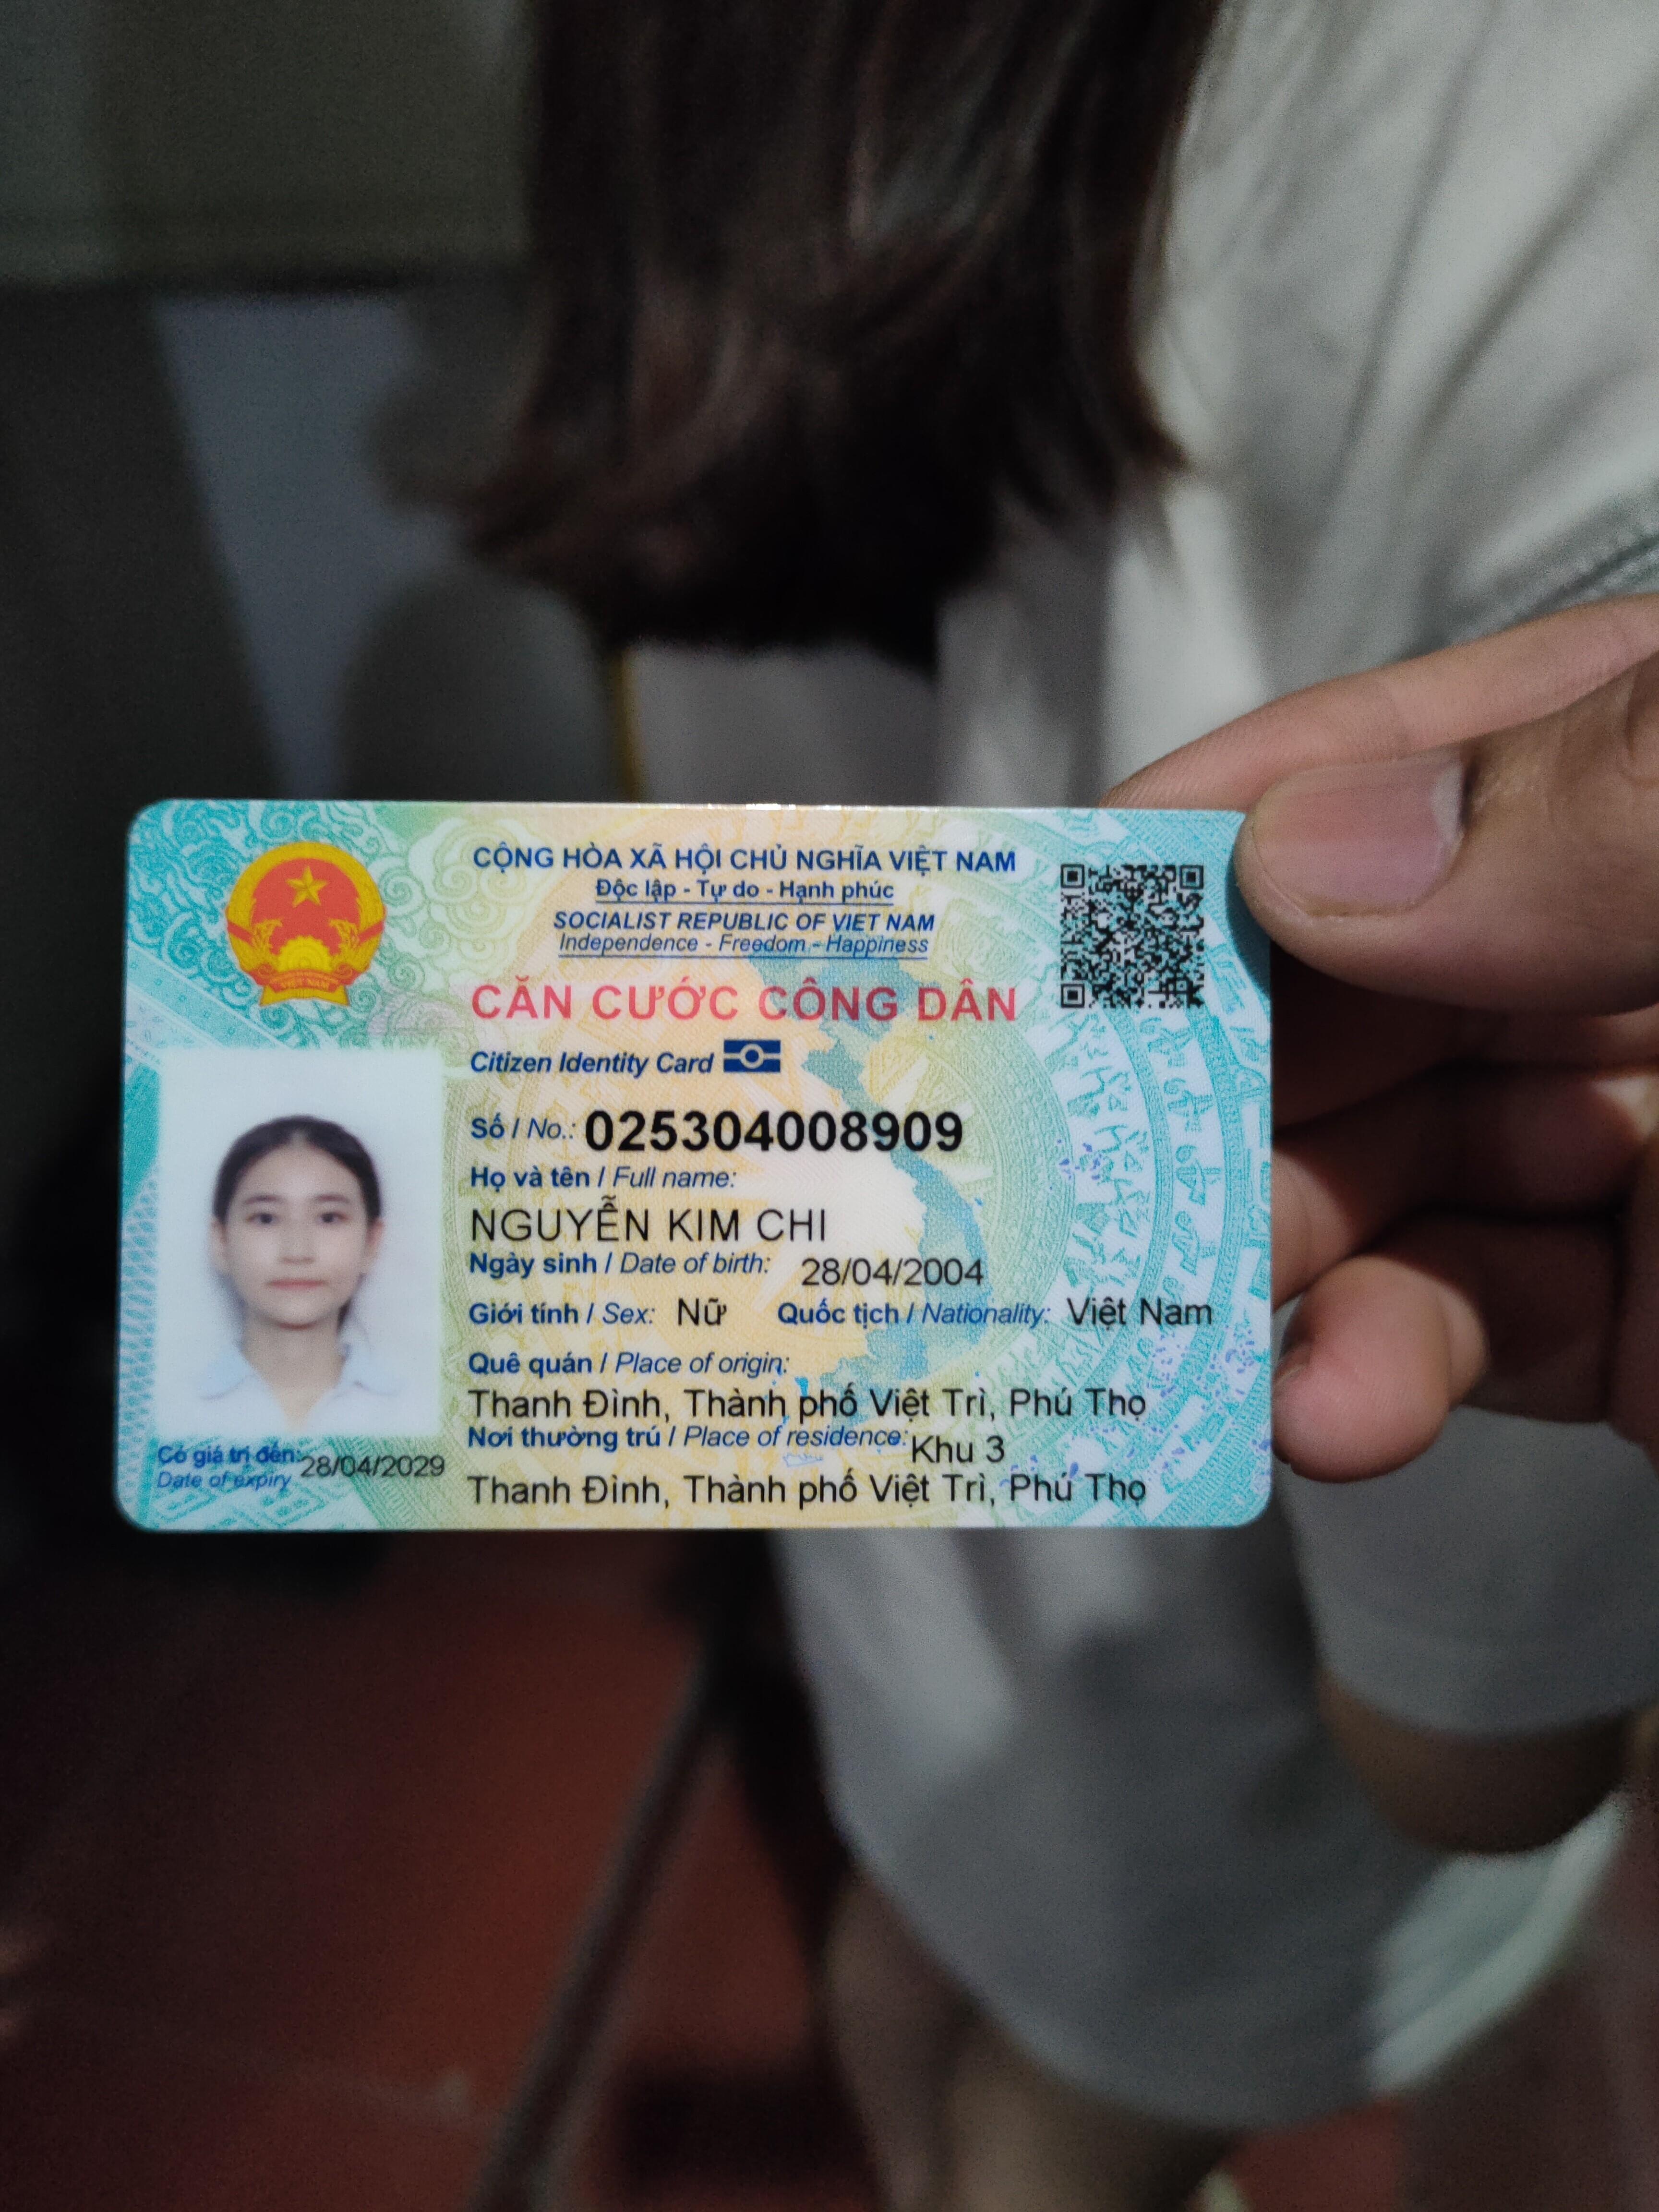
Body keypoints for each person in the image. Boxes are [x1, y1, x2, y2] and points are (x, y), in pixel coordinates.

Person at [472, 1, 1659, 2204]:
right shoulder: (1565, 151)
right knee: (1049, 2130)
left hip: (887, 1558)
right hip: (1197, 1725)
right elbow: (1472, 1753)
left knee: (925, 1991)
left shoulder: (723, 72)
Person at [198, 1114, 404, 1435]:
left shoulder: (414, 1411)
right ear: (221, 1242)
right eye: (266, 1218)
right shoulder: (166, 1412)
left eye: (329, 1218)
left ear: (371, 1243)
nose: (297, 1252)